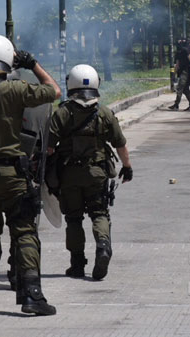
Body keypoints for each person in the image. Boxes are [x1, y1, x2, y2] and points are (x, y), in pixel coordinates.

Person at [0, 34, 61, 316]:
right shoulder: (14, 89)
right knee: (24, 231)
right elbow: (54, 91)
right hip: (10, 175)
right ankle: (31, 296)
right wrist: (33, 64)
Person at [47, 64, 133, 281]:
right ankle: (103, 247)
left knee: (73, 219)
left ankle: (77, 265)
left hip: (69, 175)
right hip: (97, 174)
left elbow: (48, 147)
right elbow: (120, 144)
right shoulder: (104, 113)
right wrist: (127, 166)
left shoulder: (62, 113)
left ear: (71, 84)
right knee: (99, 213)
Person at [168, 42, 190, 111]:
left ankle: (176, 105)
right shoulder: (178, 52)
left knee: (179, 88)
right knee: (185, 89)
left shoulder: (185, 50)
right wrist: (174, 73)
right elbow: (177, 64)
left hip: (186, 71)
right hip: (182, 72)